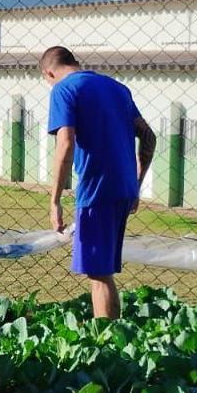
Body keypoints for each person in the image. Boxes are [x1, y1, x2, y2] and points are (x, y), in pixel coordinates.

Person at [42, 46, 156, 319]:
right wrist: (136, 184)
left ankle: (107, 347)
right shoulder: (118, 88)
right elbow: (149, 137)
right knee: (103, 272)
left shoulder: (64, 90)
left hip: (97, 190)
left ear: (49, 72)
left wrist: (55, 200)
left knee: (98, 275)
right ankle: (114, 336)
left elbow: (66, 143)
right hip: (123, 189)